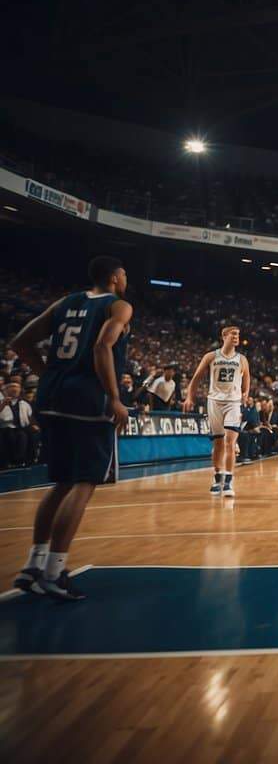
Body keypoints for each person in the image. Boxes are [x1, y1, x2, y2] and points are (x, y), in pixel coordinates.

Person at [11, 255, 133, 601]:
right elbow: (102, 346)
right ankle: (54, 570)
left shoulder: (66, 303)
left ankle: (33, 565)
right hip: (87, 400)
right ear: (113, 278)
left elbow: (20, 342)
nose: (126, 278)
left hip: (52, 397)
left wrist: (49, 372)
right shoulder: (119, 306)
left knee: (61, 482)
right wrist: (113, 396)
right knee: (84, 482)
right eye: (124, 274)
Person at [183, 325, 250, 497]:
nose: (236, 336)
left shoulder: (242, 359)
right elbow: (196, 377)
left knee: (230, 441)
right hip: (214, 401)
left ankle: (228, 481)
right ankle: (217, 476)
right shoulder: (211, 356)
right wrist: (190, 397)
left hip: (233, 403)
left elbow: (247, 377)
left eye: (238, 334)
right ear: (224, 336)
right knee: (218, 442)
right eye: (233, 334)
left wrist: (245, 392)